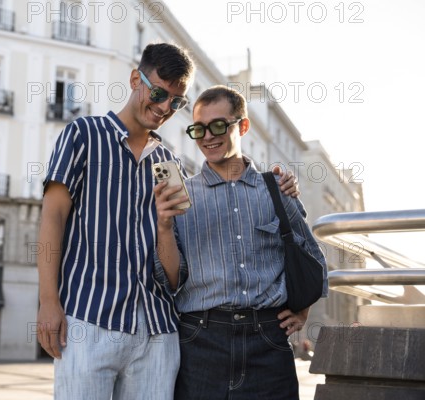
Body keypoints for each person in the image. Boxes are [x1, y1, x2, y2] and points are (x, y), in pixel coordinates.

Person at [37, 43, 298, 400]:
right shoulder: (83, 135)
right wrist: (48, 301)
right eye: (158, 92)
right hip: (90, 319)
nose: (163, 107)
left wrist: (277, 180)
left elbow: (175, 272)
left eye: (176, 102)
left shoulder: (170, 164)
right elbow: (52, 217)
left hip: (158, 332)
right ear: (135, 80)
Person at [154, 85, 327, 400]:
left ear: (242, 126)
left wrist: (303, 311)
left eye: (218, 125)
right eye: (198, 129)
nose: (208, 136)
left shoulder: (276, 190)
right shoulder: (181, 197)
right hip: (200, 341)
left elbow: (311, 256)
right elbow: (170, 279)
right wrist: (163, 226)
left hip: (268, 342)